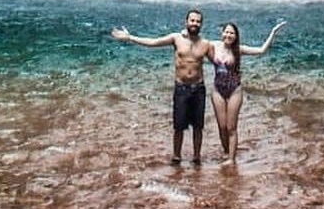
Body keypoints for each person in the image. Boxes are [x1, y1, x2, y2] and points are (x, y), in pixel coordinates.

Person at [111, 9, 215, 164]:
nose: (195, 23)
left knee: (198, 127)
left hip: (198, 89)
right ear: (186, 22)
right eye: (192, 20)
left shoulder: (206, 44)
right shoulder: (176, 38)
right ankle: (176, 157)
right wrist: (130, 37)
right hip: (181, 88)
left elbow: (219, 63)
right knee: (178, 126)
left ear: (201, 24)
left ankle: (197, 158)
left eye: (198, 21)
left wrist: (235, 64)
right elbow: (153, 42)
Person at [208, 20, 286, 164]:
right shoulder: (213, 46)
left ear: (236, 36)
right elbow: (196, 42)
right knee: (222, 126)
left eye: (232, 33)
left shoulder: (239, 49)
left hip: (234, 90)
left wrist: (273, 33)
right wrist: (184, 34)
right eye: (226, 32)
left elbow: (261, 50)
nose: (228, 35)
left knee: (231, 127)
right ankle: (226, 152)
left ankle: (231, 159)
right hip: (217, 90)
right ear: (222, 33)